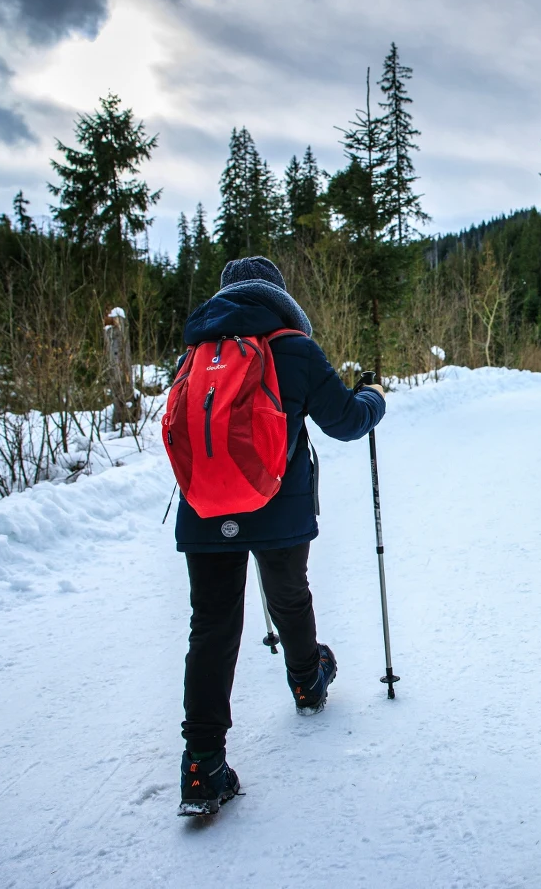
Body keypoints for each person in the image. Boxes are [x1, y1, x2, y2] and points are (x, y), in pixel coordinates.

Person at [173, 256, 386, 816]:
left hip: (205, 506)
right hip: (278, 504)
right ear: (278, 296)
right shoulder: (292, 347)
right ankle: (307, 681)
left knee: (212, 624)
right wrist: (375, 398)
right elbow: (347, 421)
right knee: (288, 594)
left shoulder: (196, 351)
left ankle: (202, 764)